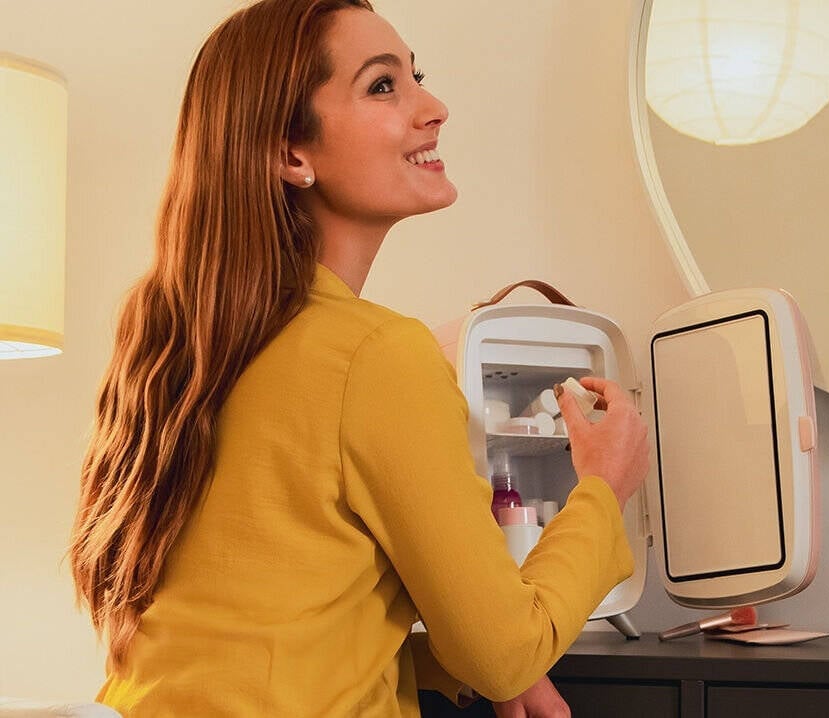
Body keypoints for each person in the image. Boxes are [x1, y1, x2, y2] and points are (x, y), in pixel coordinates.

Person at [69, 1, 649, 715]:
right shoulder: (374, 355)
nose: (433, 108)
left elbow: (263, 629)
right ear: (292, 153)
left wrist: (466, 657)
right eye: (382, 86)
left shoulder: (181, 348)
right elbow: (503, 654)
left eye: (416, 78)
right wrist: (602, 490)